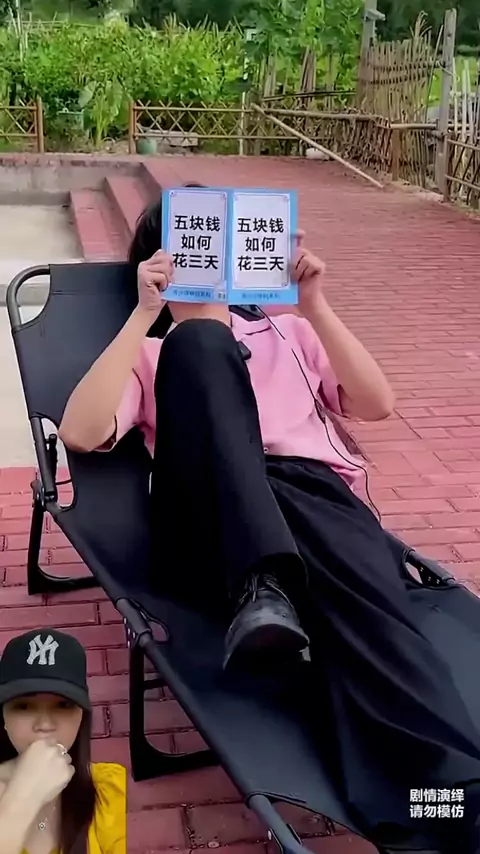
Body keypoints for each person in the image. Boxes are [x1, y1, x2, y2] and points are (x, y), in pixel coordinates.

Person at [58, 192, 480, 852]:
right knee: (201, 341)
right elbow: (81, 433)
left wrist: (314, 303)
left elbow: (377, 403)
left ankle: (446, 805)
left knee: (380, 637)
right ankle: (264, 585)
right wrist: (144, 315)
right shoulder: (152, 353)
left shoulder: (289, 334)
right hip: (209, 528)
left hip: (315, 509)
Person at [0, 628, 126, 854]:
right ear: (3, 716)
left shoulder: (108, 791)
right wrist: (22, 799)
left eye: (63, 705)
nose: (45, 724)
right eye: (24, 706)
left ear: (82, 715)